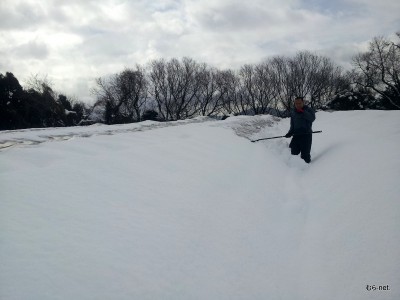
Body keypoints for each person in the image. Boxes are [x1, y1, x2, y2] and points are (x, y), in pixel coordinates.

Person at [285, 97, 316, 163]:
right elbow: (292, 125)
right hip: (296, 135)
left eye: (299, 103)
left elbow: (312, 118)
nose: (298, 105)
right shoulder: (293, 112)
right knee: (293, 152)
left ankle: (310, 170)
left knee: (305, 156)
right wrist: (290, 133)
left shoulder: (308, 110)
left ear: (303, 102)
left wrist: (303, 112)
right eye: (296, 103)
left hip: (306, 135)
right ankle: (294, 169)